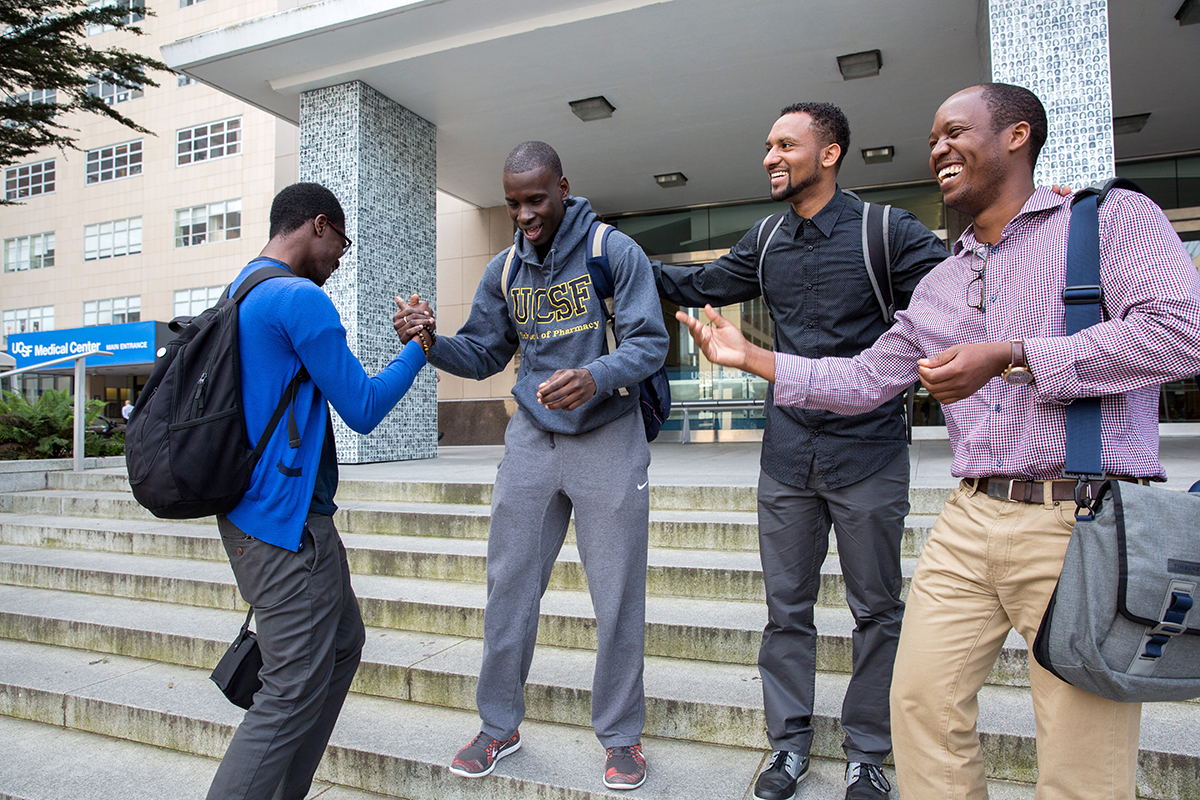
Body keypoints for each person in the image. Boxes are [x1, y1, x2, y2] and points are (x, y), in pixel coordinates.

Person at [675, 84, 1200, 800]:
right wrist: (753, 359)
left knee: (1081, 763)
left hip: (1081, 516)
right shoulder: (944, 281)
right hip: (969, 515)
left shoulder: (1106, 220)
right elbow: (865, 379)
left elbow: (1181, 335)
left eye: (955, 131)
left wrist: (1014, 355)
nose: (938, 149)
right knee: (921, 707)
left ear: (1017, 135)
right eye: (932, 141)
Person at [651, 102, 948, 800]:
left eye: (786, 144)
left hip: (869, 453)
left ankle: (868, 753)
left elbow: (965, 287)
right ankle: (787, 747)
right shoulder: (766, 239)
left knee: (877, 610)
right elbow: (699, 284)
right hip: (787, 457)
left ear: (830, 152)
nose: (770, 157)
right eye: (768, 145)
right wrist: (612, 254)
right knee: (786, 611)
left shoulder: (886, 231)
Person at [394, 141, 668, 790]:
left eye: (536, 200)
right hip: (531, 444)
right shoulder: (504, 270)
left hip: (608, 437)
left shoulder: (612, 252)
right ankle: (498, 726)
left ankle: (621, 737)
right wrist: (430, 343)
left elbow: (650, 342)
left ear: (563, 189)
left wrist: (596, 375)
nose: (524, 214)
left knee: (617, 597)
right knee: (509, 589)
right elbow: (483, 353)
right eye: (513, 203)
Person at [207, 182, 428, 800]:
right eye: (342, 246)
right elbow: (362, 407)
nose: (339, 260)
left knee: (341, 646)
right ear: (320, 226)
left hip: (260, 515)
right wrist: (418, 348)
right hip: (286, 527)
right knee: (290, 687)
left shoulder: (242, 288)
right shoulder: (299, 298)